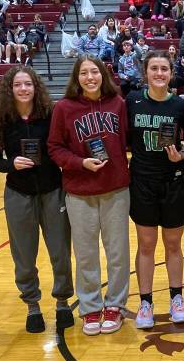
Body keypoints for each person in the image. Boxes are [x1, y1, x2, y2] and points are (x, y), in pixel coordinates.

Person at [47, 56, 131, 336]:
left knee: (117, 253)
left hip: (116, 189)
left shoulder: (117, 104)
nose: (90, 77)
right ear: (76, 78)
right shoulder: (63, 108)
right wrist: (79, 163)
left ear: (103, 75)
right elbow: (55, 148)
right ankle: (91, 307)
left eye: (94, 71)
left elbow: (127, 140)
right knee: (86, 255)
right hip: (80, 191)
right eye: (84, 73)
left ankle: (115, 306)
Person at [0, 65, 74, 332]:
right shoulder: (0, 119)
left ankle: (61, 301)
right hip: (18, 192)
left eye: (28, 84)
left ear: (36, 87)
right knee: (24, 254)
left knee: (60, 250)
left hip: (52, 190)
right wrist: (12, 164)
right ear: (9, 89)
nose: (23, 89)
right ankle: (32, 305)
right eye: (18, 85)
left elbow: (62, 148)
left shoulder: (51, 114)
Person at [126, 51, 184, 329]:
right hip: (142, 181)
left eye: (164, 68)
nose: (159, 73)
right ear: (146, 72)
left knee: (173, 244)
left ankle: (177, 298)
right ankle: (145, 302)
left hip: (173, 180)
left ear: (171, 73)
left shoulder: (180, 105)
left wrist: (182, 153)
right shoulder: (132, 101)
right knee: (146, 245)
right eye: (154, 68)